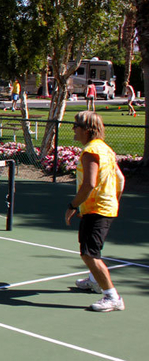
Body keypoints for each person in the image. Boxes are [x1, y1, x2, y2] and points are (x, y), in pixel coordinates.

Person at [65, 111, 125, 312]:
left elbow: (89, 184)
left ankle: (112, 296)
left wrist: (73, 206)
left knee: (89, 254)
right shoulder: (106, 149)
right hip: (103, 207)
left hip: (97, 209)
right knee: (92, 250)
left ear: (87, 130)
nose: (73, 129)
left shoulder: (91, 151)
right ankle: (94, 281)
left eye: (76, 126)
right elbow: (121, 180)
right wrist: (112, 201)